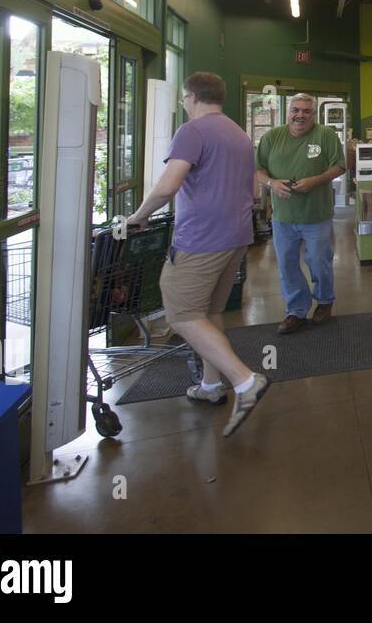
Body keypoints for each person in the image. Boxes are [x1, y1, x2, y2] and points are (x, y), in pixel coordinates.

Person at [128, 72, 269, 437]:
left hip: (201, 240)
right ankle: (210, 386)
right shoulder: (239, 134)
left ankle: (244, 380)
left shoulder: (192, 131)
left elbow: (168, 186)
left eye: (182, 99)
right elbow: (254, 190)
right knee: (210, 312)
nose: (182, 104)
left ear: (191, 97)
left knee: (181, 314)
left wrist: (138, 218)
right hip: (237, 236)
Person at [255, 93, 346, 334]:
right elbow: (259, 170)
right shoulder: (272, 137)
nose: (300, 115)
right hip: (283, 217)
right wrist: (271, 183)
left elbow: (340, 165)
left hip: (317, 215)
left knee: (319, 261)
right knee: (286, 264)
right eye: (296, 110)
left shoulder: (325, 136)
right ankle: (295, 310)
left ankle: (324, 301)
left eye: (306, 111)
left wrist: (316, 180)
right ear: (288, 112)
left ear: (313, 114)